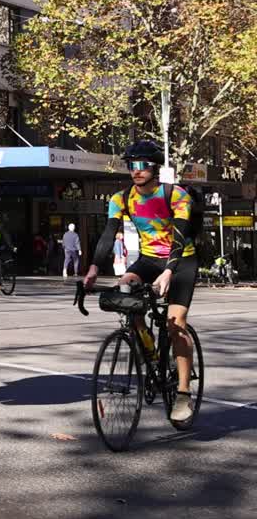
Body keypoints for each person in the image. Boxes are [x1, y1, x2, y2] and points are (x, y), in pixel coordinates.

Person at [84, 140, 199, 425]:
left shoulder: (176, 195)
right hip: (148, 260)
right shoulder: (121, 199)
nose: (135, 171)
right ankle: (146, 347)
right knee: (125, 290)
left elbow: (181, 236)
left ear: (155, 167)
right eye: (131, 166)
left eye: (141, 165)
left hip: (182, 260)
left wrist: (170, 271)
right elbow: (109, 235)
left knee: (176, 324)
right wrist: (94, 268)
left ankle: (183, 393)